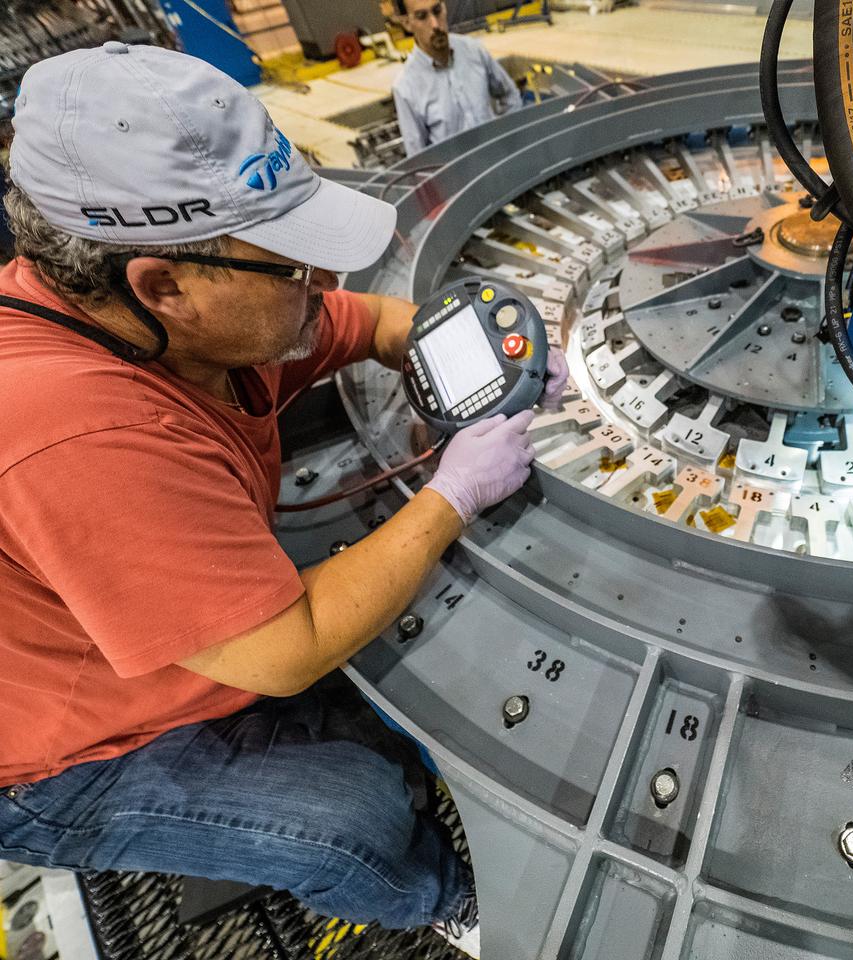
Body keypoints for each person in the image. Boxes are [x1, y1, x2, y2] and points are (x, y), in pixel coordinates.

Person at [0, 42, 566, 949]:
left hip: (170, 635)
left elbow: (376, 323)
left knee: (374, 719)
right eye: (294, 265)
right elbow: (284, 650)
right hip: (61, 756)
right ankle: (438, 902)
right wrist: (453, 494)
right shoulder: (82, 432)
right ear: (164, 286)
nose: (324, 285)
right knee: (352, 820)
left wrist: (482, 357)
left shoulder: (190, 324)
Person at [392, 0, 523, 156]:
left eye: (437, 10)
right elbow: (418, 158)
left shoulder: (473, 50)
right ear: (407, 23)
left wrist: (510, 141)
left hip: (498, 167)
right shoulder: (406, 88)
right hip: (458, 178)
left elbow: (510, 95)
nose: (435, 24)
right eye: (422, 16)